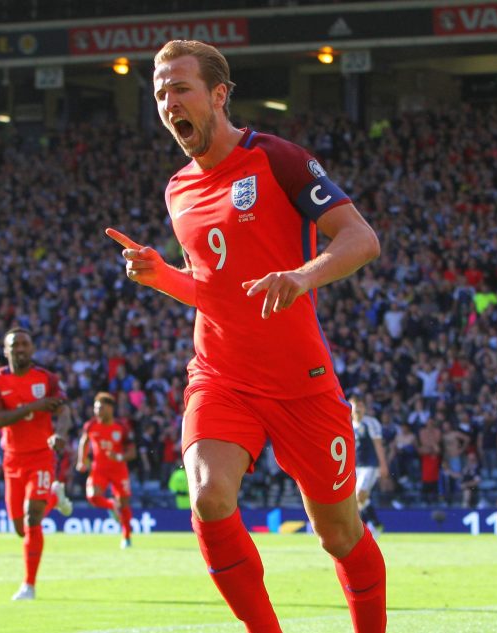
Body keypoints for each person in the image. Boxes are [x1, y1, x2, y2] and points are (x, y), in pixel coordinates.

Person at [106, 39, 385, 633]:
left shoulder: (277, 159)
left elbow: (361, 238)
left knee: (338, 534)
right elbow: (215, 291)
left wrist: (302, 275)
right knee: (208, 496)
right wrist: (163, 279)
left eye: (180, 88)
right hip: (221, 375)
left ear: (219, 94)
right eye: (159, 93)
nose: (168, 102)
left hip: (300, 383)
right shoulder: (177, 189)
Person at [0, 327, 73, 601]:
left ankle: (29, 585)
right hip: (12, 458)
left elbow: (64, 410)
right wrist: (34, 407)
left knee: (32, 518)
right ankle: (53, 498)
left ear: (32, 349)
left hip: (41, 456)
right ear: (5, 350)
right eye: (14, 345)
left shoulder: (47, 379)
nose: (20, 349)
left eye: (24, 344)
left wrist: (60, 433)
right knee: (20, 527)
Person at [77, 391, 136, 548]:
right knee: (92, 497)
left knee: (124, 503)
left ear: (110, 408)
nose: (97, 412)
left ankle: (126, 536)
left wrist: (118, 457)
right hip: (99, 469)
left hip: (118, 470)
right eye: (96, 408)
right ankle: (112, 505)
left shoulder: (121, 427)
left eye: (101, 408)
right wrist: (81, 461)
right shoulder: (91, 425)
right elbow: (84, 442)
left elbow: (132, 452)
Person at [350, 396, 388, 537]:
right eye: (355, 405)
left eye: (360, 405)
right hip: (355, 466)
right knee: (358, 499)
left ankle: (368, 526)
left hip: (370, 465)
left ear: (365, 408)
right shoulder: (348, 424)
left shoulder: (371, 423)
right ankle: (372, 526)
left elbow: (378, 444)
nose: (358, 408)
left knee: (360, 494)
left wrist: (383, 464)